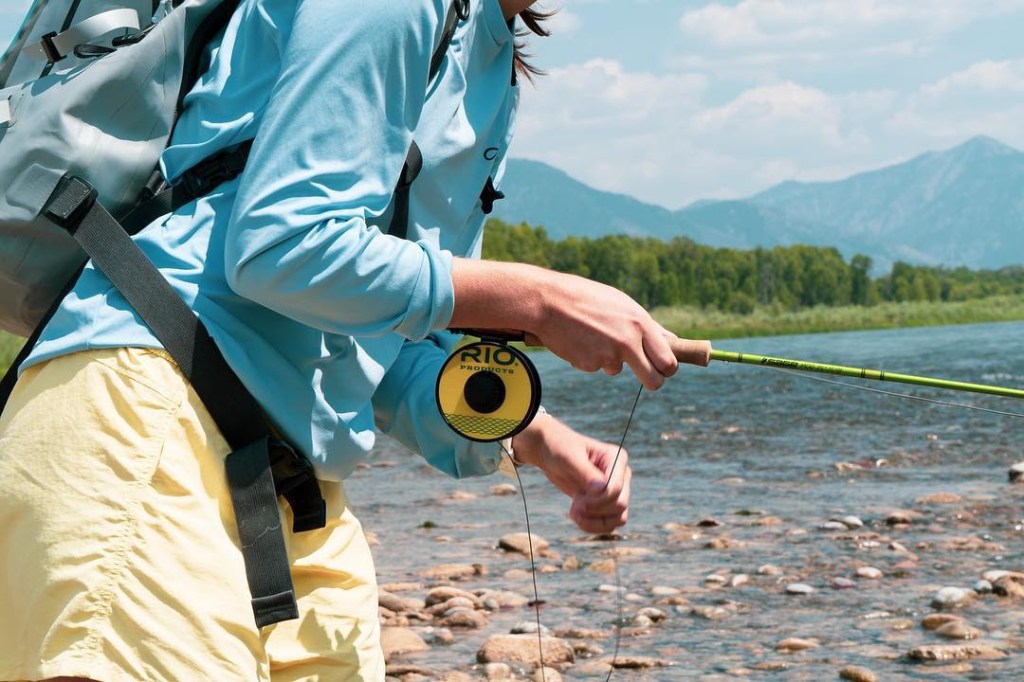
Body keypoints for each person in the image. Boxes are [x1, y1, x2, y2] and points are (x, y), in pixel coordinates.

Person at [0, 0, 679, 680]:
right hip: (148, 417)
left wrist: (533, 436)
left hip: (285, 479)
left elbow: (381, 333)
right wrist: (542, 299)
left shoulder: (490, 65)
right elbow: (283, 249)